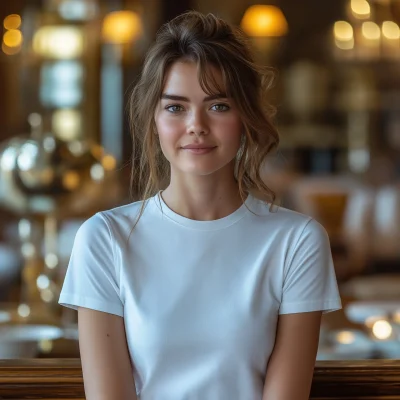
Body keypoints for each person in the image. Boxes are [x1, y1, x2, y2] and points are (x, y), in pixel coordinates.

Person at [59, 10, 342, 400]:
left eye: (218, 105)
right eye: (175, 107)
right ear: (153, 119)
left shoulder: (296, 241)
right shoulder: (104, 239)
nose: (196, 125)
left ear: (245, 116)